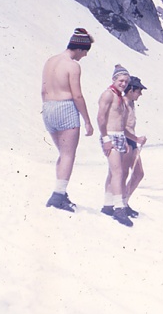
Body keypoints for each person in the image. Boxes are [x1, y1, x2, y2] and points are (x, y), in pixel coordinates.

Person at [41, 27, 95, 212]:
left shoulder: (50, 61)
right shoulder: (73, 66)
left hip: (48, 107)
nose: (85, 55)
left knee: (62, 154)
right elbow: (77, 95)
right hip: (65, 107)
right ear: (79, 48)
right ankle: (58, 196)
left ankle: (60, 193)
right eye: (85, 51)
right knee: (68, 154)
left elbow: (43, 90)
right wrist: (87, 120)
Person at [101, 76, 147, 219]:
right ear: (131, 90)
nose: (140, 94)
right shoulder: (124, 104)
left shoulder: (130, 103)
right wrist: (136, 139)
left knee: (136, 173)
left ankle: (122, 202)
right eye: (139, 91)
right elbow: (121, 127)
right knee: (122, 174)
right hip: (126, 140)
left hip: (131, 140)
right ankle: (119, 204)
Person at [97, 64, 134, 227]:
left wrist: (124, 140)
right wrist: (106, 139)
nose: (123, 84)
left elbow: (121, 121)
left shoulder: (120, 97)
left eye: (126, 81)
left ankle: (107, 205)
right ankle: (119, 208)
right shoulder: (108, 95)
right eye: (121, 80)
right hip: (110, 136)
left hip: (119, 137)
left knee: (113, 173)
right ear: (114, 79)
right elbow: (100, 118)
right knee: (118, 172)